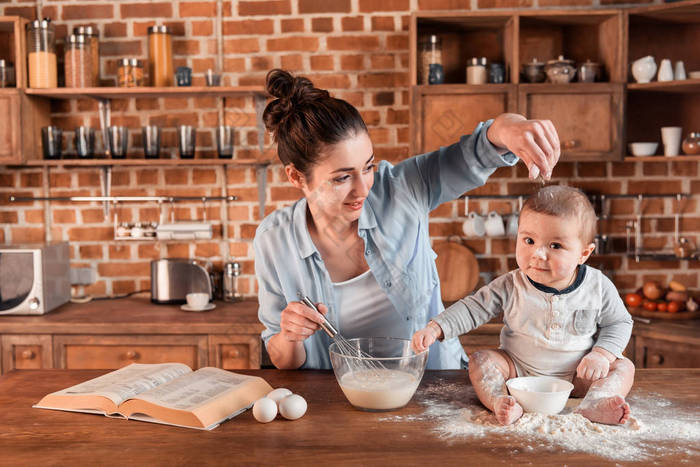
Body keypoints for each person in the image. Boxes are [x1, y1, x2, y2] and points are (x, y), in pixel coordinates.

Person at [255, 68, 561, 370]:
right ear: (296, 176)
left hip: (433, 386)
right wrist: (289, 336)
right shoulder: (274, 240)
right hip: (342, 401)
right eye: (342, 178)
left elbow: (477, 153)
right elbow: (283, 360)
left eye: (368, 167)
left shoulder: (403, 188)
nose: (363, 189)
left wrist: (510, 126)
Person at [412, 185, 635, 425]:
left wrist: (601, 354)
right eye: (529, 240)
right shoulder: (511, 284)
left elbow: (619, 322)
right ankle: (500, 401)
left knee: (623, 367)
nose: (538, 254)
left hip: (579, 376)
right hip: (517, 376)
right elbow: (473, 308)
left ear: (584, 253)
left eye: (555, 246)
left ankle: (595, 402)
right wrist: (436, 328)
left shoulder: (598, 286)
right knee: (480, 361)